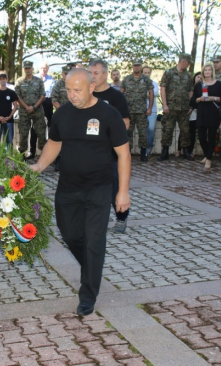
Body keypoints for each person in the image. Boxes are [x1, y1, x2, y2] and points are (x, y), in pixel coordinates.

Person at [30, 68, 131, 316]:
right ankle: (92, 266)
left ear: (91, 88)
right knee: (72, 236)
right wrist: (40, 165)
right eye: (68, 90)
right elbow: (54, 143)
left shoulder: (109, 114)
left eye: (77, 90)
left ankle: (87, 295)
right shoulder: (62, 114)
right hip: (68, 188)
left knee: (94, 241)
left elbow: (123, 154)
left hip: (99, 188)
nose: (72, 95)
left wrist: (123, 192)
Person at [88, 59, 131, 234]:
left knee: (115, 185)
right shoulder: (87, 96)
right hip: (90, 152)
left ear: (105, 74)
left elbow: (125, 123)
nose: (92, 76)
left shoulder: (116, 97)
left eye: (96, 73)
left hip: (111, 152)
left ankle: (121, 218)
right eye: (90, 73)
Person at [190, 63, 221, 172]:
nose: (207, 72)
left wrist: (213, 98)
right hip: (201, 113)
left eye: (209, 70)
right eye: (205, 70)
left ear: (212, 72)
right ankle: (207, 154)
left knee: (211, 136)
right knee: (201, 137)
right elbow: (192, 101)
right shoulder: (199, 85)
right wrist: (199, 99)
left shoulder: (218, 84)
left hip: (213, 113)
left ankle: (209, 159)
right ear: (202, 72)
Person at [159, 53, 194, 161]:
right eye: (188, 63)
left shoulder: (188, 76)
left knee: (185, 131)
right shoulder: (169, 73)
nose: (188, 66)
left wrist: (190, 105)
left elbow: (190, 91)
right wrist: (164, 104)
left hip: (183, 108)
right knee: (167, 130)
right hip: (170, 107)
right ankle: (165, 152)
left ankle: (186, 152)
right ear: (183, 61)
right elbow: (163, 88)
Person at [121, 59, 154, 161]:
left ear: (141, 66)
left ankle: (143, 153)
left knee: (143, 133)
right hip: (129, 112)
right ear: (132, 66)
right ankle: (128, 153)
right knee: (127, 133)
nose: (136, 67)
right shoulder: (126, 79)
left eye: (138, 65)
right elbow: (120, 94)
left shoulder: (146, 79)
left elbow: (151, 93)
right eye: (134, 65)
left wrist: (150, 108)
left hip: (142, 111)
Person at [15, 61, 46, 160]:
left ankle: (44, 155)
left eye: (29, 68)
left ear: (32, 68)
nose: (27, 70)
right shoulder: (19, 81)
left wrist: (35, 107)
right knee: (23, 133)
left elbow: (42, 95)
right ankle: (22, 155)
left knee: (41, 133)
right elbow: (17, 96)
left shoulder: (39, 80)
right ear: (24, 69)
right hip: (24, 111)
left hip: (37, 110)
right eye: (26, 68)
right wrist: (26, 107)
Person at [51, 65, 73, 171]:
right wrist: (61, 111)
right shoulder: (58, 84)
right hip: (62, 115)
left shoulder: (74, 83)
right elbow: (54, 99)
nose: (67, 75)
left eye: (69, 73)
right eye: (65, 73)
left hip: (75, 115)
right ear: (62, 74)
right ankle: (58, 161)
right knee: (61, 137)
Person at [0, 70, 19, 146]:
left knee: (9, 141)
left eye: (3, 78)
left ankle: (8, 157)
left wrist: (10, 116)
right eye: (0, 78)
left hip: (9, 120)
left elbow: (15, 106)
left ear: (6, 79)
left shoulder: (11, 92)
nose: (2, 80)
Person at [142, 66, 159, 156]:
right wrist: (148, 94)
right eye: (145, 73)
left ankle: (149, 147)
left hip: (152, 110)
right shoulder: (139, 83)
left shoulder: (154, 83)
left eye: (149, 72)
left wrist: (145, 94)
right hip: (140, 110)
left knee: (151, 128)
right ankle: (143, 149)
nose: (147, 74)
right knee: (142, 130)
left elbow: (155, 93)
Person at [39, 62, 56, 126]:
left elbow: (53, 93)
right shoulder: (34, 78)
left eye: (45, 68)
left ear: (48, 69)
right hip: (35, 104)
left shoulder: (51, 80)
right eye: (41, 68)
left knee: (49, 123)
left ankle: (49, 135)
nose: (43, 70)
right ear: (39, 68)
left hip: (47, 103)